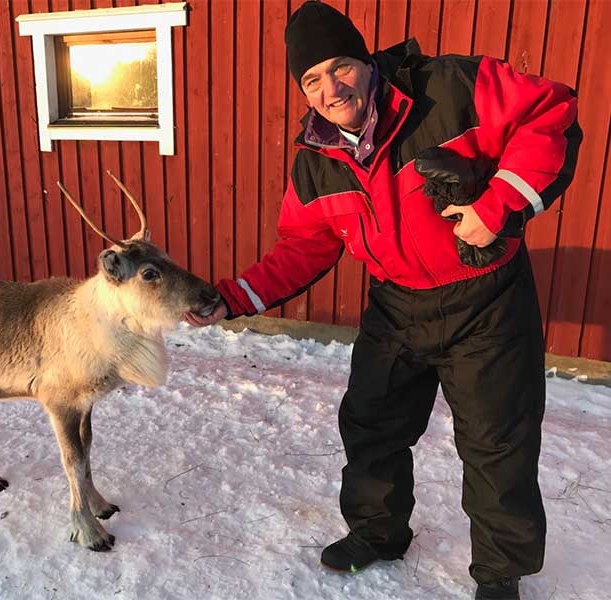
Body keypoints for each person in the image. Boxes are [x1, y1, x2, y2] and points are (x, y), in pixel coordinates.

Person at [185, 2, 581, 599]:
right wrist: (232, 297)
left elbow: (549, 110)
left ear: (367, 63)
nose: (330, 87)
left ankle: (500, 573)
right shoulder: (318, 160)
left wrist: (498, 206)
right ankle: (378, 532)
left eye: (340, 66)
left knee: (496, 442)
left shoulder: (449, 88)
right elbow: (303, 246)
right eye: (311, 79)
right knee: (370, 424)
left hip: (488, 303)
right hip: (397, 306)